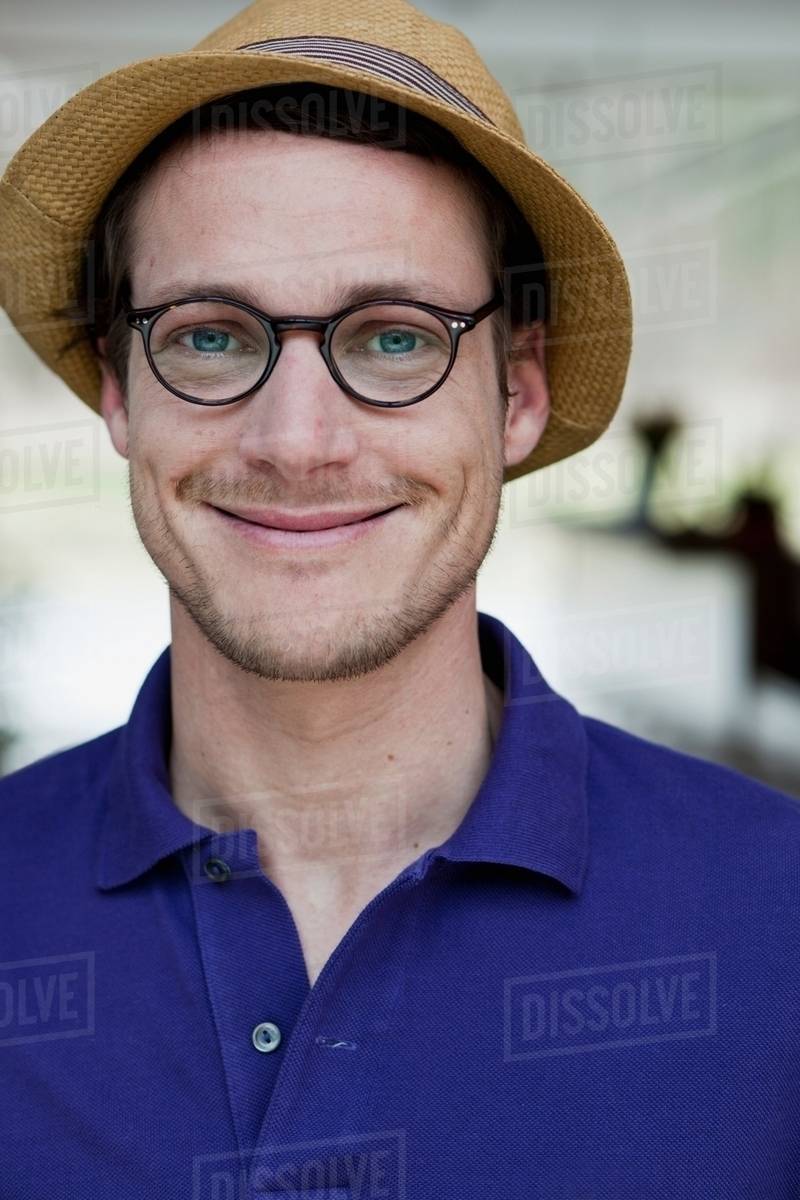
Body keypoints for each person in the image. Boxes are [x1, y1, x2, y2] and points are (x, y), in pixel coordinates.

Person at [1, 1, 798, 1196]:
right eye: (211, 338)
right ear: (118, 391)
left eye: (391, 339)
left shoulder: (774, 916)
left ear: (515, 393)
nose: (298, 440)